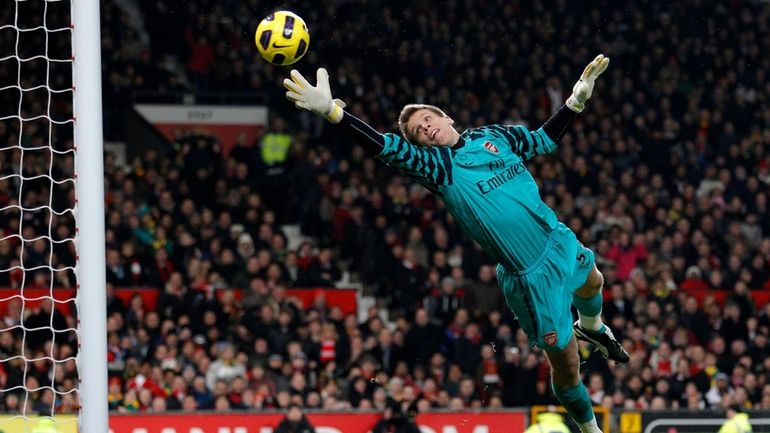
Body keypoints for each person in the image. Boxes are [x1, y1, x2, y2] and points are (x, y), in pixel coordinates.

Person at [283, 54, 628, 433]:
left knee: (594, 281)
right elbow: (385, 148)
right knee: (567, 365)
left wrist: (574, 102)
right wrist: (335, 114)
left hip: (556, 239)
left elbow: (542, 141)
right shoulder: (439, 168)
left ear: (446, 116)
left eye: (427, 119)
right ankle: (592, 430)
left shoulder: (494, 136)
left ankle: (593, 326)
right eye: (417, 131)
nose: (425, 129)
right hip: (530, 276)